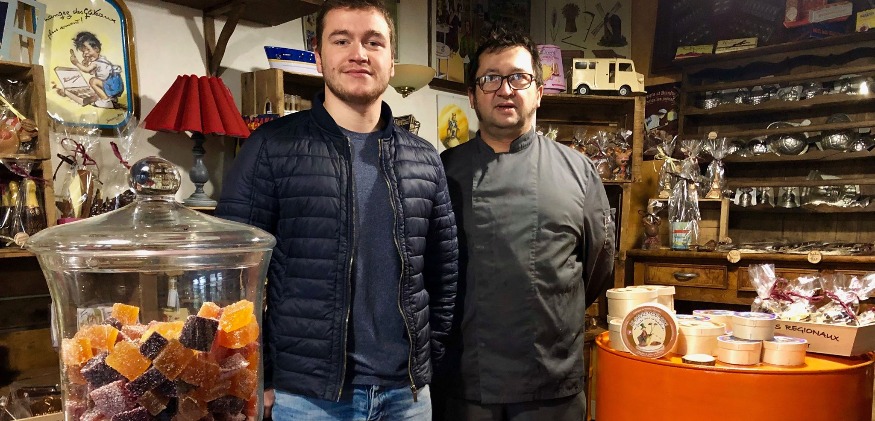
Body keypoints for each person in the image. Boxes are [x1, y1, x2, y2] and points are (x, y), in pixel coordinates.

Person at [215, 1, 459, 419]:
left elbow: (444, 274)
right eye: (342, 40)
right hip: (308, 397)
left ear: (391, 61)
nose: (358, 53)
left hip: (407, 397)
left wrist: (426, 358)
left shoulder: (425, 159)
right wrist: (260, 372)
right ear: (318, 57)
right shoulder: (271, 147)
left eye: (373, 42)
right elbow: (234, 272)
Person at [436, 27, 616, 421]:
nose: (505, 89)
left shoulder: (578, 171)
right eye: (490, 78)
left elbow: (598, 267)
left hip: (550, 383)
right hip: (464, 382)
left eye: (519, 77)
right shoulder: (440, 172)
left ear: (539, 91)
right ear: (472, 95)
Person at [68, 31, 123, 109]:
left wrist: (76, 63)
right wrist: (87, 63)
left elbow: (86, 70)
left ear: (96, 49)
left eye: (88, 50)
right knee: (97, 81)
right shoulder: (102, 59)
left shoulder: (96, 63)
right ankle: (112, 99)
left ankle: (106, 101)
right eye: (83, 51)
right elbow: (94, 71)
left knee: (92, 81)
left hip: (112, 86)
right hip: (116, 85)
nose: (85, 53)